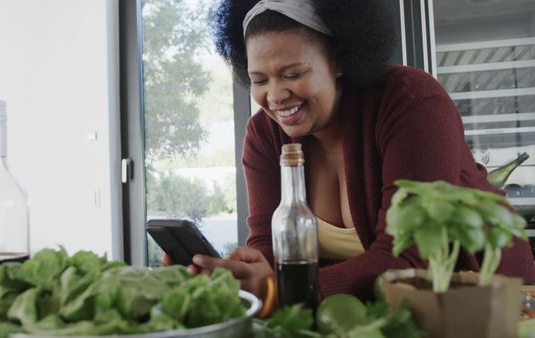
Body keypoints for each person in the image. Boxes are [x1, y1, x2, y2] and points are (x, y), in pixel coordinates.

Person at [164, 0, 535, 305]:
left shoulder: (409, 102)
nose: (275, 96)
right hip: (363, 310)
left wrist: (285, 289)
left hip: (484, 303)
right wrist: (237, 274)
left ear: (339, 59)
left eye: (292, 74)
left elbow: (408, 256)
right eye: (260, 80)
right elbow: (270, 248)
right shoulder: (265, 135)